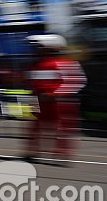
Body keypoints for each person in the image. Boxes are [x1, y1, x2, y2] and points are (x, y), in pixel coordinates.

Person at [24, 34, 87, 162]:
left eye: (39, 47)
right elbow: (33, 84)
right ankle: (33, 150)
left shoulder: (66, 62)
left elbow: (78, 81)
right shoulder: (37, 64)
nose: (36, 50)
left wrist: (56, 94)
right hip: (42, 101)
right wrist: (33, 100)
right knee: (36, 127)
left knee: (63, 127)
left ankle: (62, 153)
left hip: (61, 102)